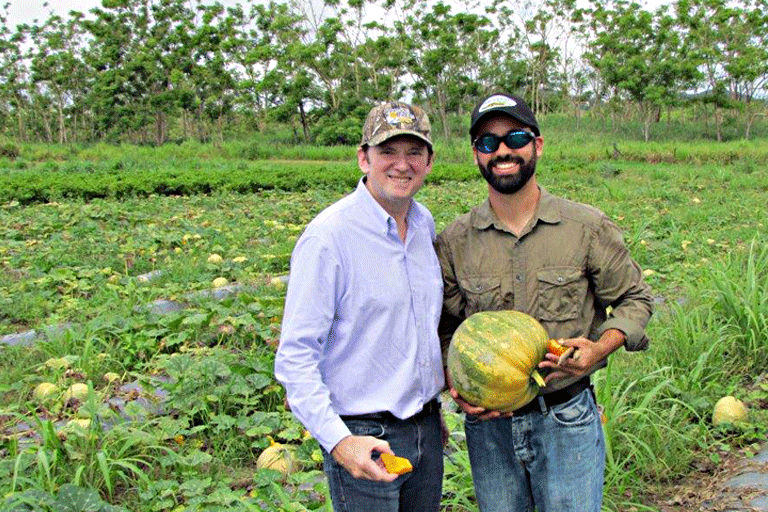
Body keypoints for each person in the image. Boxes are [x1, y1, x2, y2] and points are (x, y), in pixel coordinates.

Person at [436, 92, 654, 512]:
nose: (501, 151)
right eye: (487, 143)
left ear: (537, 144)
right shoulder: (455, 242)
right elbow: (446, 326)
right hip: (490, 431)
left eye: (514, 137)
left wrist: (598, 348)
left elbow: (634, 299)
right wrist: (455, 380)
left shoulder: (585, 227)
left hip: (566, 418)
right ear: (476, 156)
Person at [274, 101, 445, 512]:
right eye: (388, 151)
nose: (401, 165)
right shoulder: (329, 238)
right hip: (365, 435)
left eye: (414, 153)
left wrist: (430, 406)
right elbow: (295, 357)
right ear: (363, 157)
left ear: (429, 162)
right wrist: (339, 441)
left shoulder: (424, 226)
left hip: (426, 428)